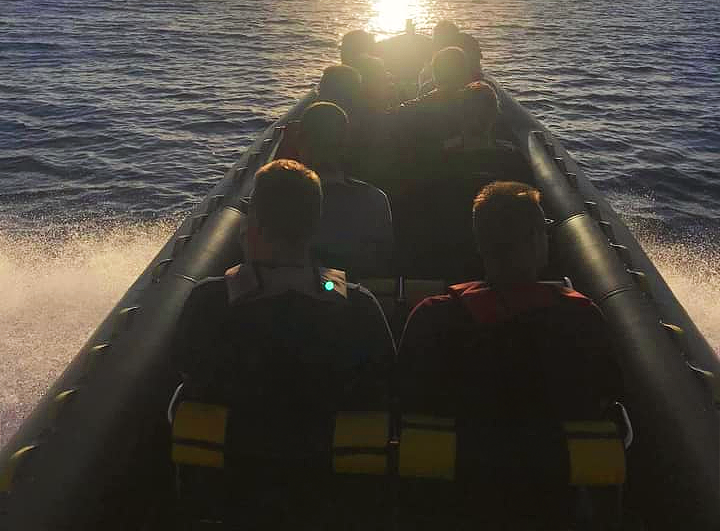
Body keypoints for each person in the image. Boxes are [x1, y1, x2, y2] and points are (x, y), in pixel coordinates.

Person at [171, 159, 395, 484]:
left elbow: (184, 366)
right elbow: (384, 384)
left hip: (232, 484)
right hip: (327, 488)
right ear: (316, 224)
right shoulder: (359, 306)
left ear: (253, 223)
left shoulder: (210, 301)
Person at [397, 181, 623, 462]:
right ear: (536, 241)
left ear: (480, 243)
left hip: (453, 488)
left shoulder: (431, 319)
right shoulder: (582, 320)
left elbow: (407, 401)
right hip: (552, 488)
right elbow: (601, 400)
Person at [297, 102, 393, 276]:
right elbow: (383, 260)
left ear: (301, 141)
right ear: (345, 145)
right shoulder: (375, 200)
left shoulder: (278, 201)